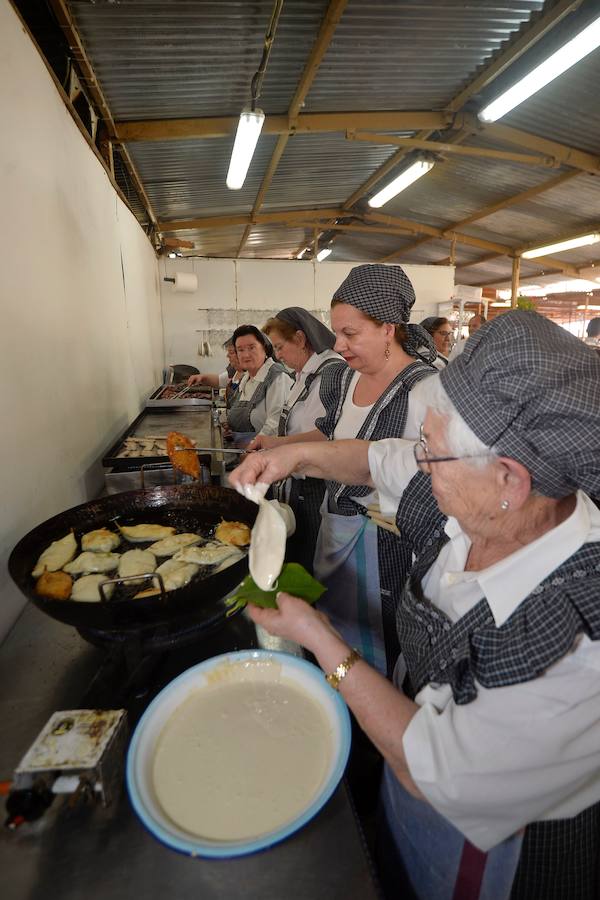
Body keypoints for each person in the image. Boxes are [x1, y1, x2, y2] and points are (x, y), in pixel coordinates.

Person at [231, 310, 600, 900]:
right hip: (412, 776)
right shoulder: (477, 496)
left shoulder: (580, 642)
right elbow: (381, 459)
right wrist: (294, 458)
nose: (420, 463)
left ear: (509, 479)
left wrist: (321, 638)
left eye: (431, 452)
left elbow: (440, 773)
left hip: (499, 851)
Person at [267, 265, 436, 677]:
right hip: (335, 529)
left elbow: (437, 478)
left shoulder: (424, 390)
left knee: (382, 639)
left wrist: (406, 511)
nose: (338, 344)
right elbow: (330, 434)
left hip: (389, 547)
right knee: (336, 630)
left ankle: (375, 721)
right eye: (336, 332)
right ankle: (340, 697)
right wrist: (278, 450)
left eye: (350, 333)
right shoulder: (343, 380)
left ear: (388, 328)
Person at [246, 308, 342, 570]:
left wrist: (276, 446)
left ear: (300, 339)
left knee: (309, 558)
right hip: (298, 482)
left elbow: (329, 434)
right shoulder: (303, 374)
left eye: (279, 347)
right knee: (297, 554)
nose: (277, 355)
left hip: (317, 486)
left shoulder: (331, 373)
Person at [226, 325, 291, 443]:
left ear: (265, 348)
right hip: (241, 447)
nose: (246, 355)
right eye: (240, 350)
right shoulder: (246, 378)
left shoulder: (277, 377)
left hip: (264, 452)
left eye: (251, 348)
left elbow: (275, 425)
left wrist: (252, 448)